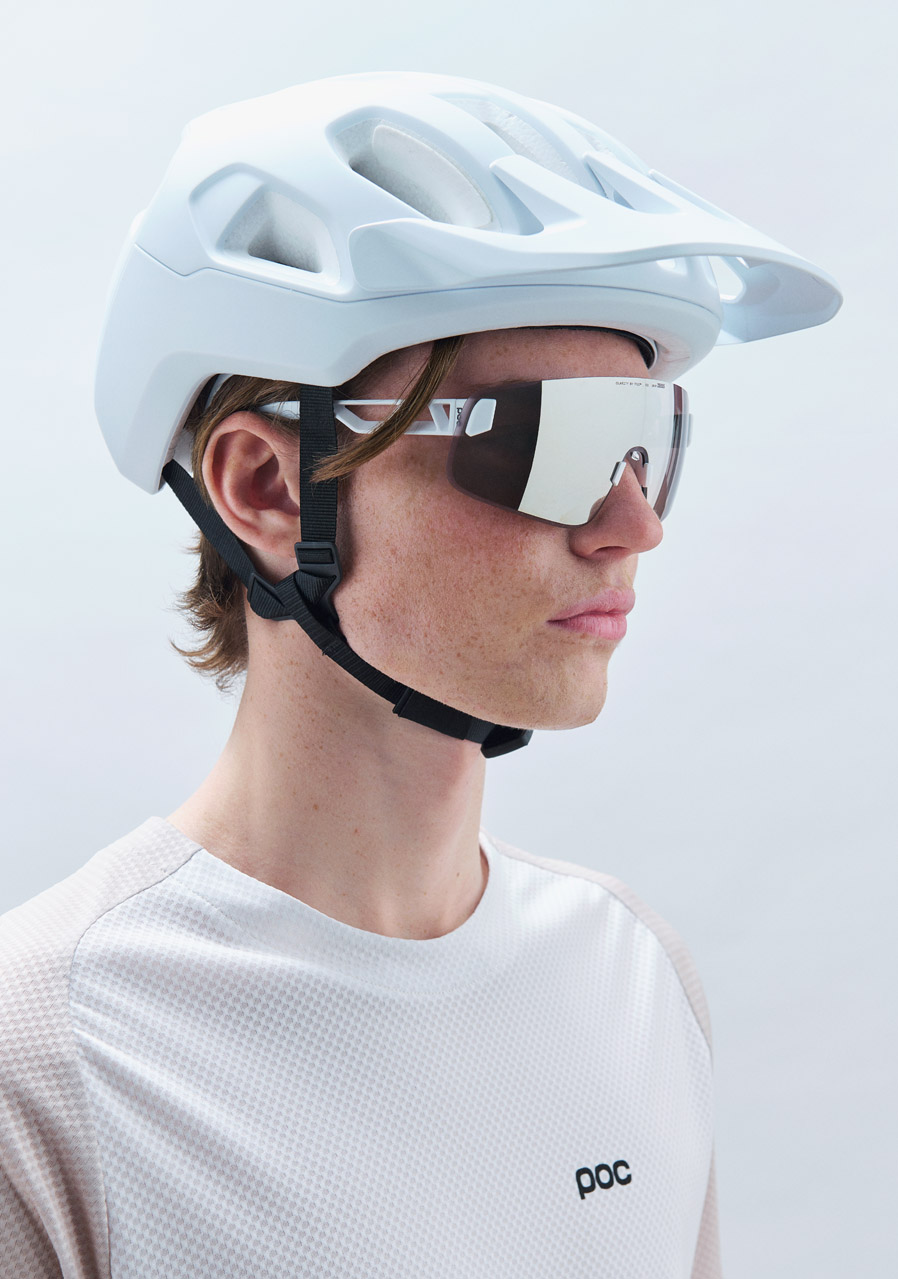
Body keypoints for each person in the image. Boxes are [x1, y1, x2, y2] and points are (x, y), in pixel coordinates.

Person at [0, 72, 840, 1278]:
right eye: (545, 442)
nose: (633, 525)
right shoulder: (45, 1051)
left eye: (642, 442)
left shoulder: (632, 972)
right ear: (267, 488)